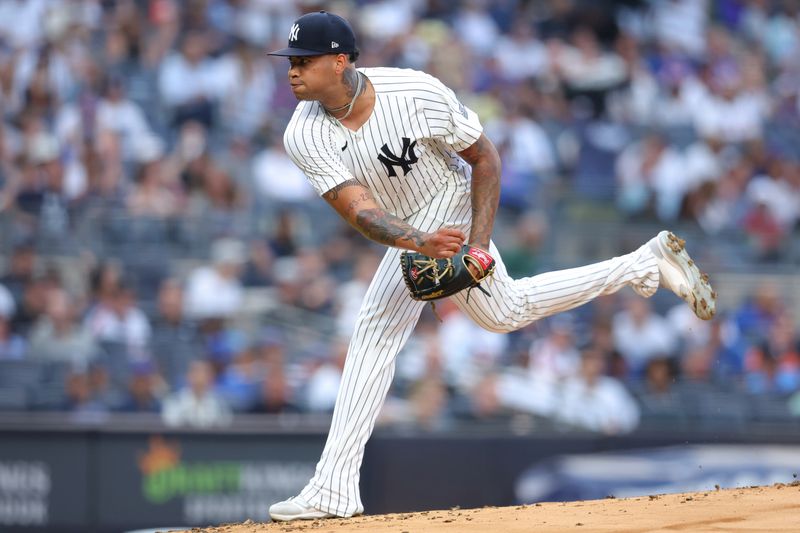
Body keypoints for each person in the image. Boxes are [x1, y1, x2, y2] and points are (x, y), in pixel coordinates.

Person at [266, 11, 716, 522]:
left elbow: (486, 159)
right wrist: (419, 241)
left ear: (341, 61)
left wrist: (476, 246)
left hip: (451, 198)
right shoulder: (302, 134)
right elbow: (362, 212)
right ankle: (642, 262)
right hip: (410, 225)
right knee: (505, 312)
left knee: (374, 330)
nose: (292, 70)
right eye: (290, 61)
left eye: (304, 60)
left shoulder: (415, 93)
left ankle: (334, 488)